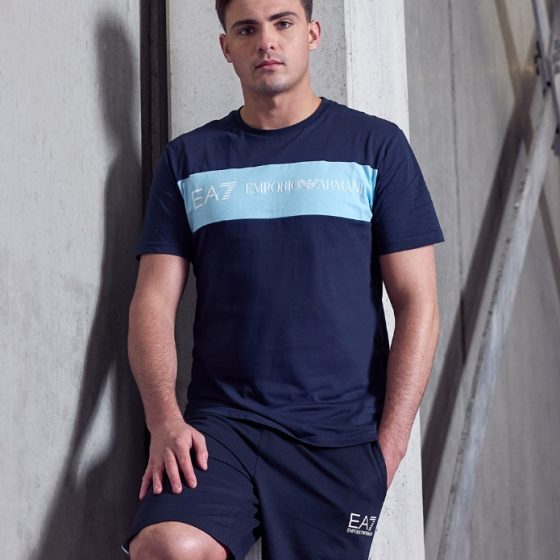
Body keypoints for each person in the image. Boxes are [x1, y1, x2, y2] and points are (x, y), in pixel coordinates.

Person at [123, 0, 444, 558]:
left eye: (283, 23)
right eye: (246, 29)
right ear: (226, 47)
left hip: (338, 438)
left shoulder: (376, 147)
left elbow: (419, 305)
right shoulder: (189, 160)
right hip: (224, 425)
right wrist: (163, 420)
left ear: (312, 33)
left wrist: (387, 451)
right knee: (168, 546)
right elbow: (151, 301)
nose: (266, 41)